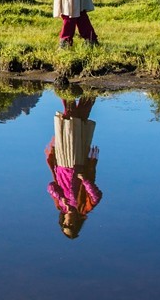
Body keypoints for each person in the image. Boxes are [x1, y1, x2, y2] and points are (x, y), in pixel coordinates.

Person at [45, 94, 102, 239]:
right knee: (80, 121)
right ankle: (89, 92)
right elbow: (96, 196)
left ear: (62, 222)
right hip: (78, 162)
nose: (68, 224)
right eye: (71, 226)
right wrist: (84, 180)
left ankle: (67, 91)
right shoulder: (83, 208)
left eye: (65, 226)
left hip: (63, 160)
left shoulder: (60, 205)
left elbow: (50, 186)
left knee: (69, 122)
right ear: (76, 223)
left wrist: (61, 198)